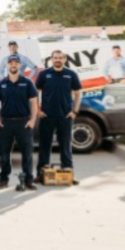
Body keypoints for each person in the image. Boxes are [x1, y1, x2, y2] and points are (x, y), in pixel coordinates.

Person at [36, 50, 83, 184]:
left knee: (65, 146)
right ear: (51, 59)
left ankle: (68, 173)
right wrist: (38, 110)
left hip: (65, 116)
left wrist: (74, 111)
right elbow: (35, 94)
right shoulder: (44, 74)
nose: (57, 60)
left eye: (60, 58)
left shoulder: (71, 74)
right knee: (44, 146)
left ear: (64, 59)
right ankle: (40, 174)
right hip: (47, 116)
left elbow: (78, 93)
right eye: (55, 58)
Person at [0, 54, 39, 190]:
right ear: (7, 65)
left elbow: (34, 103)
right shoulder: (1, 84)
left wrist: (32, 120)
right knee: (4, 153)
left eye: (16, 63)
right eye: (11, 63)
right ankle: (3, 179)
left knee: (27, 152)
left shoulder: (27, 83)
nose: (13, 65)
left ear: (20, 66)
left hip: (23, 122)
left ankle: (28, 180)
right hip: (5, 123)